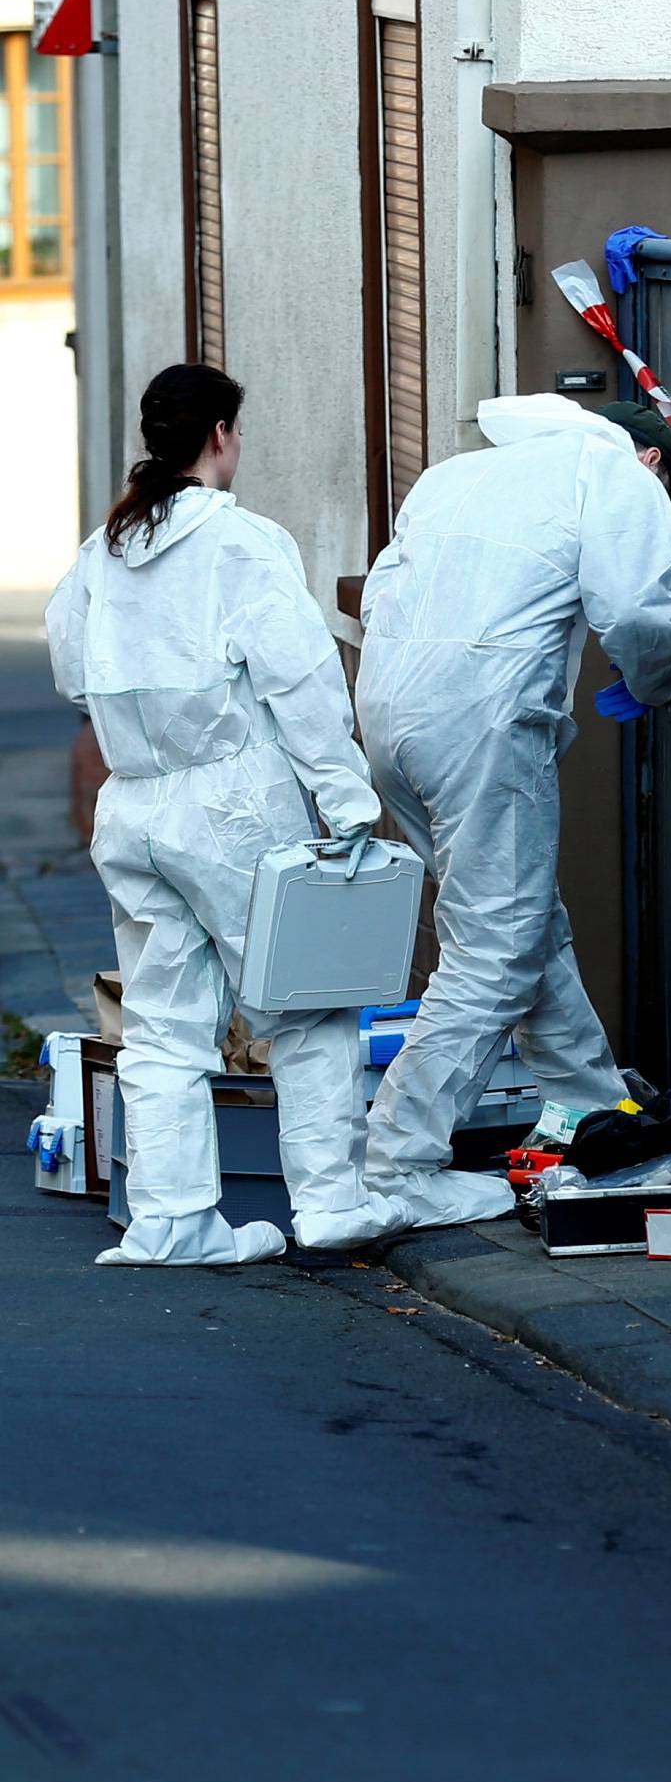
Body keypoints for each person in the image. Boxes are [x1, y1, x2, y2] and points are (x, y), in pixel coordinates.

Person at [46, 364, 405, 1264]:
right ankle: (328, 1204)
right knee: (308, 1006)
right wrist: (345, 794)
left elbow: (67, 668)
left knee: (164, 1022)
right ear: (218, 434)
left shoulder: (105, 547)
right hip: (236, 801)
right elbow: (301, 680)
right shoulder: (240, 543)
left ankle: (171, 1220)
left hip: (133, 805)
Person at [353, 393, 671, 1229]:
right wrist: (656, 683)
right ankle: (399, 1158)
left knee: (525, 920)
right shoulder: (615, 472)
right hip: (482, 720)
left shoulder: (457, 474)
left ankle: (593, 1105)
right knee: (495, 943)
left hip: (390, 714)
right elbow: (641, 609)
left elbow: (383, 595)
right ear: (653, 460)